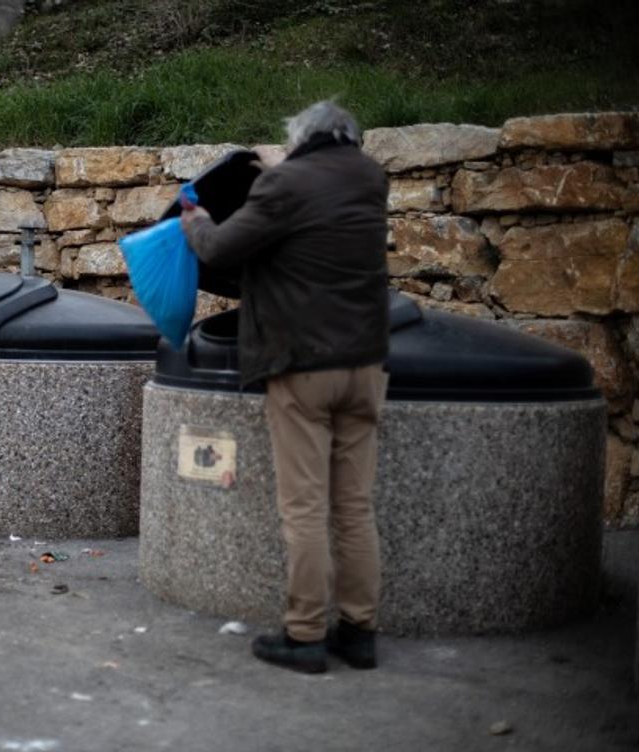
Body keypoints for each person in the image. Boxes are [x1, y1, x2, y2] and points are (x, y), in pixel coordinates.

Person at [180, 100, 390, 674]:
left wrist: (195, 218)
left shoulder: (287, 183)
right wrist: (280, 167)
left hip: (303, 364)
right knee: (354, 505)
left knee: (304, 506)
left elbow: (221, 249)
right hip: (366, 364)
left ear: (300, 139)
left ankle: (304, 636)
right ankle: (359, 632)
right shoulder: (369, 178)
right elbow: (315, 203)